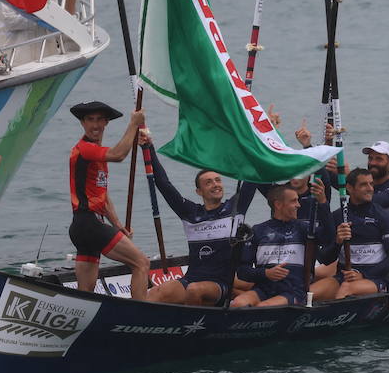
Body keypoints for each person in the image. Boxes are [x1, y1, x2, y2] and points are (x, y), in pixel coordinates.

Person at [140, 133, 258, 306]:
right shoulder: (190, 213)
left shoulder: (236, 208)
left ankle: (194, 327)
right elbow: (164, 184)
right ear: (199, 191)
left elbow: (252, 176)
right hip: (191, 279)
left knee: (195, 290)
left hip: (221, 284)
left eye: (218, 180)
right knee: (159, 291)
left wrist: (256, 140)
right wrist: (148, 148)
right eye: (208, 182)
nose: (216, 184)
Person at [67, 100, 152, 300]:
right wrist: (134, 123)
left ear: (106, 123)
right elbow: (118, 154)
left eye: (99, 120)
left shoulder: (97, 155)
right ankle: (141, 317)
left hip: (83, 227)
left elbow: (103, 199)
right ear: (82, 123)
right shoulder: (85, 149)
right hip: (89, 224)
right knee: (141, 263)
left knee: (85, 292)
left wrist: (118, 225)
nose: (95, 125)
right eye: (90, 120)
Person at [232, 184, 336, 308]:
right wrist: (266, 273)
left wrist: (323, 203)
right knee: (238, 303)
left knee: (262, 307)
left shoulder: (304, 229)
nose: (298, 205)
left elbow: (329, 237)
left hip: (293, 291)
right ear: (278, 204)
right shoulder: (258, 231)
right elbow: (243, 272)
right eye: (293, 201)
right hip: (263, 289)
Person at [311, 168, 389, 301]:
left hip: (374, 279)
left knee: (346, 289)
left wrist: (363, 275)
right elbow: (325, 259)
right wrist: (337, 242)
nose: (370, 188)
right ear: (349, 188)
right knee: (309, 293)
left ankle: (336, 318)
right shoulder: (338, 216)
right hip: (343, 277)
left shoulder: (381, 215)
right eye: (364, 184)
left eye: (371, 184)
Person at [360, 141, 389, 233]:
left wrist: (353, 180)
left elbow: (378, 201)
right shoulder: (358, 187)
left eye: (379, 159)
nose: (373, 163)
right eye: (370, 158)